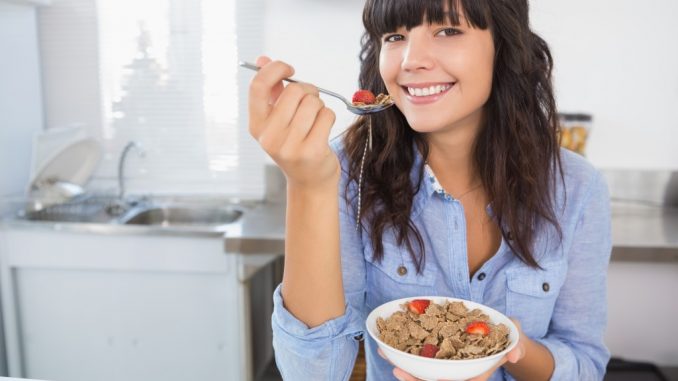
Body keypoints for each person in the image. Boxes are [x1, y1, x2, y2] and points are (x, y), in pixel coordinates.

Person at [246, 0, 611, 379]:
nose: (410, 60)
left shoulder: (577, 188)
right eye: (395, 36)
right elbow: (313, 374)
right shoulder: (343, 173)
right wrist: (308, 187)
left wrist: (512, 349)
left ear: (504, 46)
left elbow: (584, 363)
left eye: (448, 30)